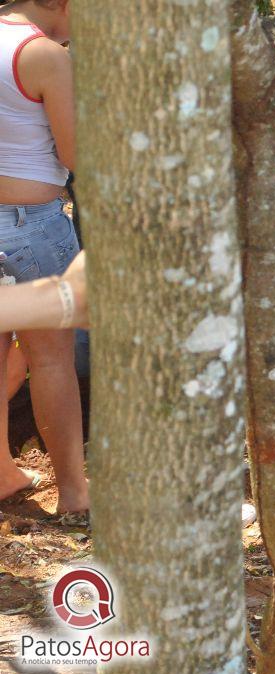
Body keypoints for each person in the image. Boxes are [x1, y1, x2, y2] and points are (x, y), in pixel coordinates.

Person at [0, 0, 88, 515]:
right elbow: (78, 156)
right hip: (31, 224)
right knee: (51, 357)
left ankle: (3, 472)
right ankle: (75, 490)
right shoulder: (43, 55)